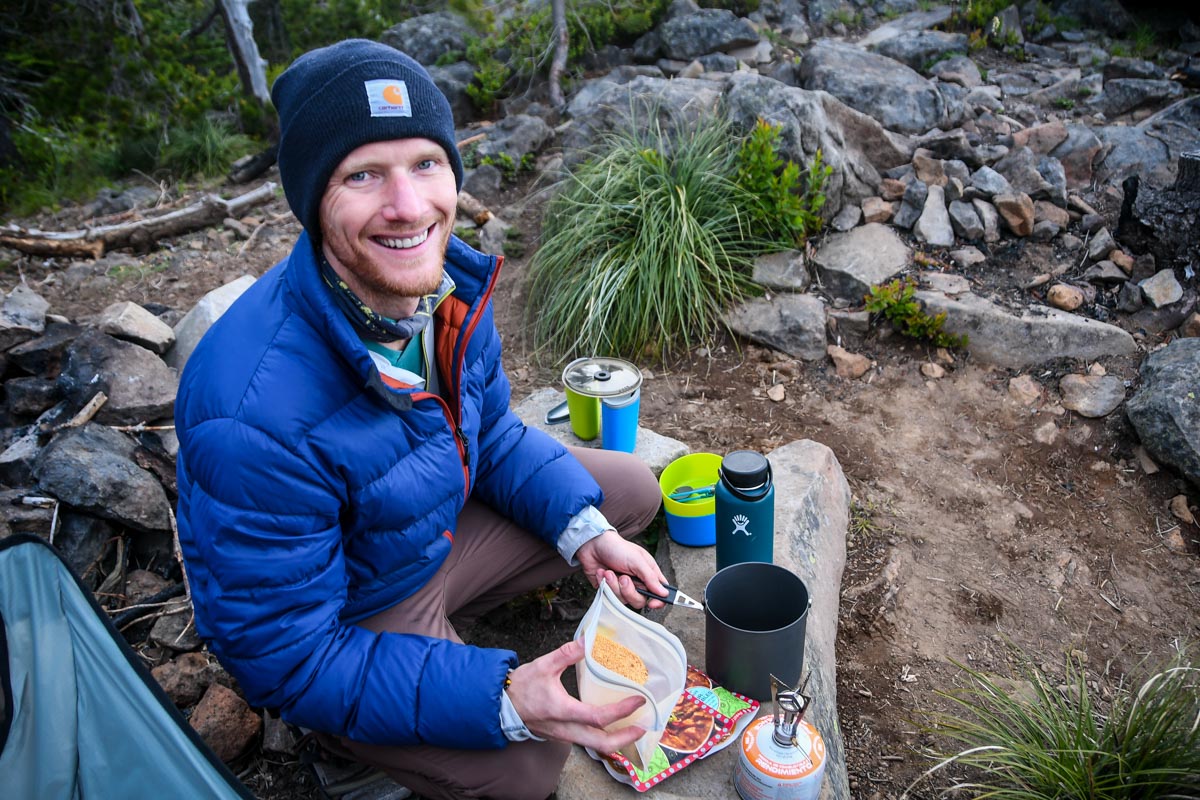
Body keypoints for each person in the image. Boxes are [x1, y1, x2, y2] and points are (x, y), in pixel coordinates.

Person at [174, 38, 667, 800]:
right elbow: (286, 654)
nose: (409, 207)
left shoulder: (447, 289)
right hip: (350, 614)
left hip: (429, 533)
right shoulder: (251, 412)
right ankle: (345, 751)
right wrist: (501, 696)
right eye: (364, 175)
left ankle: (458, 628)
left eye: (426, 164)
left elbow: (493, 434)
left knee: (626, 492)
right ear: (314, 200)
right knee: (530, 764)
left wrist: (585, 533)